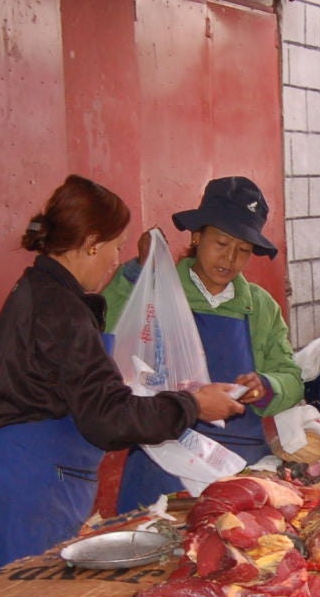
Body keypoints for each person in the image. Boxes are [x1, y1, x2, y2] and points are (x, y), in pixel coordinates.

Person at [0, 176, 246, 580]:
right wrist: (194, 405)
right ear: (92, 243)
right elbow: (108, 417)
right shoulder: (58, 307)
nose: (116, 260)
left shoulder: (43, 291)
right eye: (115, 247)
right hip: (29, 490)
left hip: (30, 480)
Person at [103, 176, 303, 511]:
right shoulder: (157, 290)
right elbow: (109, 329)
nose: (230, 258)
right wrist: (139, 272)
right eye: (221, 243)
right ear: (197, 236)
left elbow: (292, 378)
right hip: (164, 460)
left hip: (239, 467)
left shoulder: (260, 306)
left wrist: (267, 385)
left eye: (243, 250)